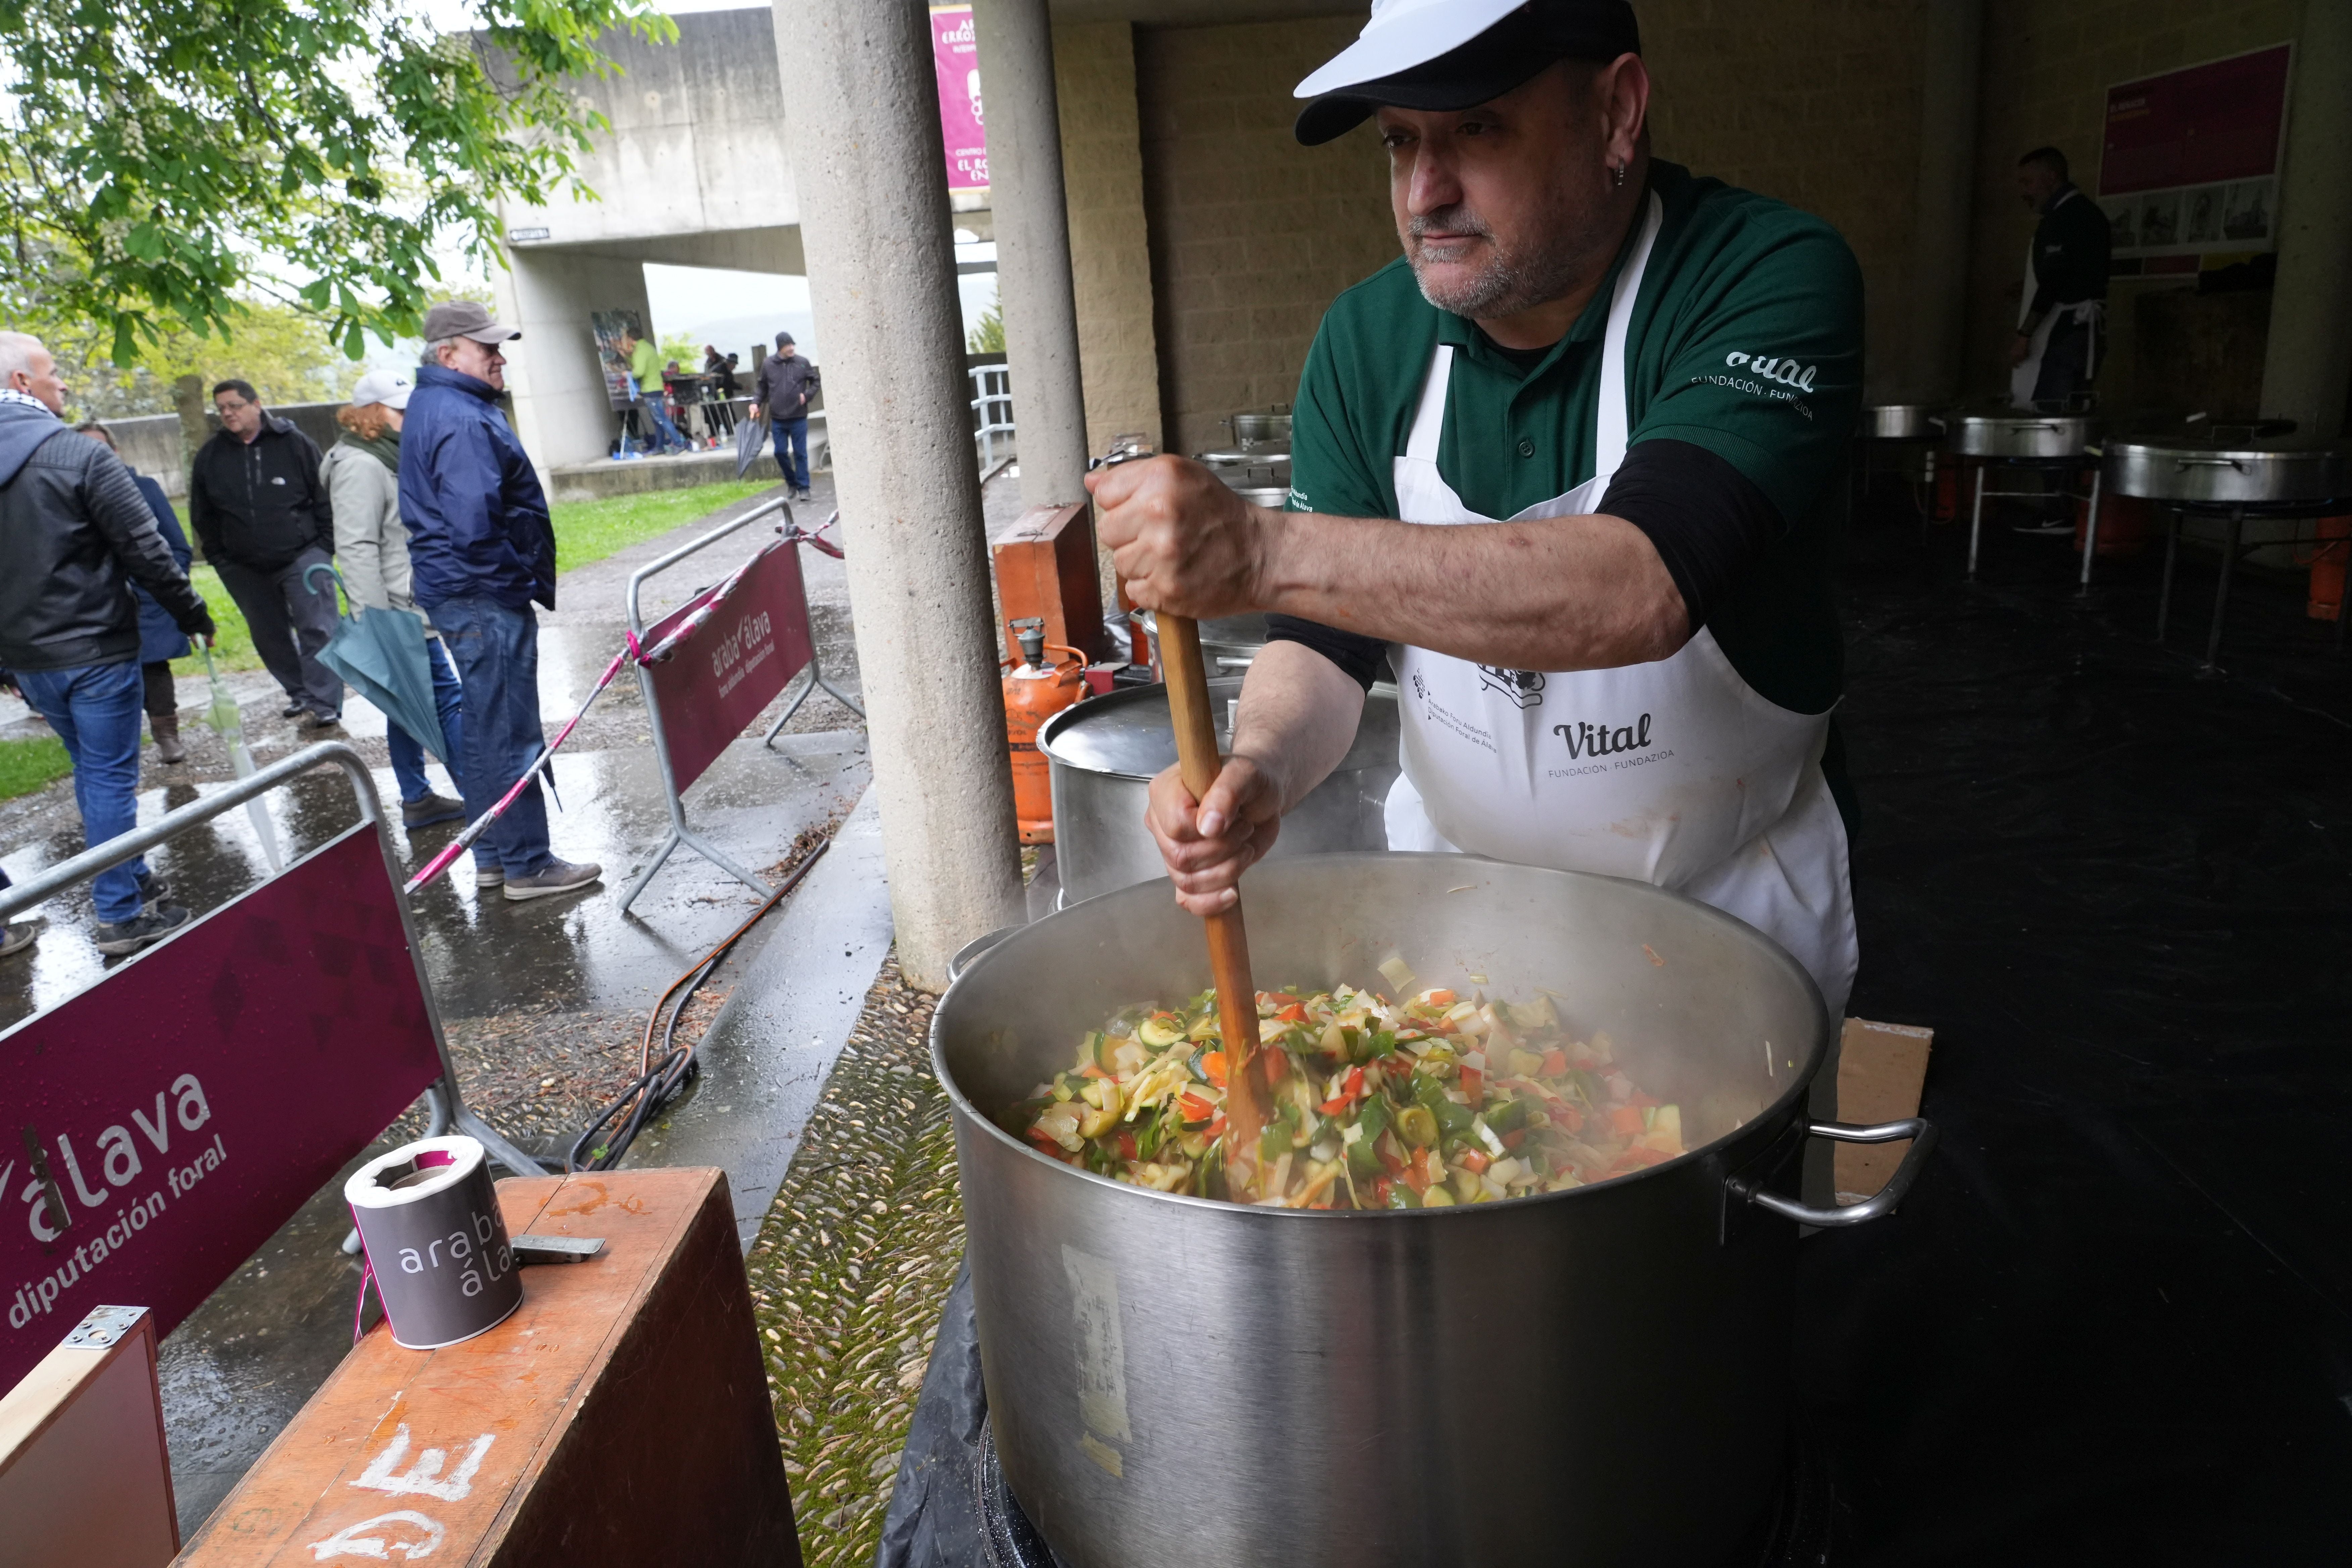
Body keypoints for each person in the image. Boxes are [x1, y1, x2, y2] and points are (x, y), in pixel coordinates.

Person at [1089, 0, 1864, 1015]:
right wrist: (1259, 771)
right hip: (1458, 927)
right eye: (1400, 141)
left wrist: (1256, 549)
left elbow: (1638, 586)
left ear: (1617, 112)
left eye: (1476, 129)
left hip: (1727, 931)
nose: (1425, 192)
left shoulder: (1759, 275)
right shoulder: (1366, 338)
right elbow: (1324, 641)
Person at [0, 331, 214, 954]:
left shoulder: (72, 455)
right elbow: (147, 551)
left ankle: (132, 874)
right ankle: (119, 913)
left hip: (32, 658)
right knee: (108, 778)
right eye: (52, 372)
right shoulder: (80, 457)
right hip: (93, 648)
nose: (62, 382)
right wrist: (193, 613)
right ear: (21, 383)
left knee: (92, 772)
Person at [400, 300, 603, 901]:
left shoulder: (440, 405)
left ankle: (494, 853)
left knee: (487, 729)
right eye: (487, 348)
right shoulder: (461, 417)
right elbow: (474, 525)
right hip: (481, 595)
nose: (500, 357)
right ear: (448, 354)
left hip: (462, 592)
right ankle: (526, 863)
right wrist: (513, 583)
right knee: (509, 732)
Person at [321, 370, 466, 830]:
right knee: (448, 703)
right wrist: (376, 625)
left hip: (408, 606)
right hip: (397, 618)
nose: (410, 417)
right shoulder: (360, 465)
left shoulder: (386, 457)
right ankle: (486, 800)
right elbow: (357, 546)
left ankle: (417, 798)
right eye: (400, 410)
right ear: (369, 414)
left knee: (407, 705)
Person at [189, 377, 345, 727]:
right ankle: (299, 692)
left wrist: (324, 546)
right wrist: (220, 558)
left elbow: (324, 497)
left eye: (235, 406)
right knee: (268, 634)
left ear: (256, 404)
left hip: (303, 554)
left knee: (317, 628)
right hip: (243, 565)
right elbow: (203, 514)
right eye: (222, 409)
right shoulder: (211, 456)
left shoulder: (295, 445)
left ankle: (324, 701)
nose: (228, 414)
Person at [76, 420, 195, 764]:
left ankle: (167, 734)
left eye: (99, 450)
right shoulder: (66, 494)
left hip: (149, 596)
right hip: (97, 602)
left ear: (115, 452)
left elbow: (177, 546)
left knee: (154, 666)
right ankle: (115, 746)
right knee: (110, 675)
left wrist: (166, 586)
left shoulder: (145, 488)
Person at [2008, 146, 2109, 411]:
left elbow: (2055, 280)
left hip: (2069, 330)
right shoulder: (2089, 213)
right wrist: (2028, 287)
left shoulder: (2064, 219)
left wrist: (2024, 335)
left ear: (2052, 178)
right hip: (2084, 328)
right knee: (2070, 411)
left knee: (2052, 417)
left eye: (2028, 182)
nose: (2024, 193)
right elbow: (2080, 270)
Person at [754, 331, 817, 501]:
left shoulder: (802, 363)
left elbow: (816, 381)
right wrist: (755, 403)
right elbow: (762, 387)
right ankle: (792, 482)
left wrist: (808, 395)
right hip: (778, 418)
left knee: (800, 453)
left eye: (792, 345)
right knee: (780, 452)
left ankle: (804, 488)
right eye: (787, 346)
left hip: (798, 416)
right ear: (780, 348)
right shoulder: (768, 364)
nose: (791, 348)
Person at [619, 327, 688, 456]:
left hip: (650, 389)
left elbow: (639, 371)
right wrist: (626, 357)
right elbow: (639, 363)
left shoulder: (640, 351)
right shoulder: (648, 348)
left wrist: (628, 374)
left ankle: (679, 444)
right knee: (657, 421)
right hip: (656, 388)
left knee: (661, 419)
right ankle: (659, 447)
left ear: (630, 339)